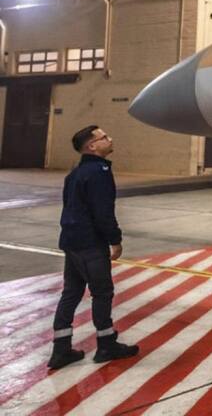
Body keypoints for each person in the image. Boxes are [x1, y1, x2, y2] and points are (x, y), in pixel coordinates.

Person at [49, 125, 139, 369]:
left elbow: (68, 205)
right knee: (102, 292)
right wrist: (115, 240)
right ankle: (106, 345)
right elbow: (103, 212)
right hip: (90, 243)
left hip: (71, 240)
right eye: (104, 137)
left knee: (71, 292)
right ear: (92, 146)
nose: (110, 139)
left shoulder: (76, 172)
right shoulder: (98, 172)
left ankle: (61, 349)